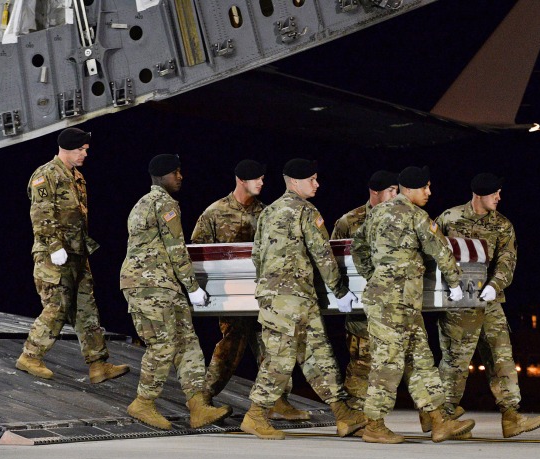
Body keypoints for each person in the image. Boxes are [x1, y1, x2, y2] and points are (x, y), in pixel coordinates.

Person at [241, 158, 366, 440]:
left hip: (287, 297)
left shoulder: (269, 212)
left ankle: (343, 415)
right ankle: (256, 414)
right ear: (296, 182)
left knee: (318, 355)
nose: (317, 184)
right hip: (291, 297)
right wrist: (341, 291)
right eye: (312, 179)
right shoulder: (306, 211)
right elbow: (323, 255)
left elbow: (257, 255)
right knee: (281, 358)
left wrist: (268, 288)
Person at [351, 165, 475, 444]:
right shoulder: (417, 216)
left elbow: (357, 247)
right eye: (425, 187)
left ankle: (438, 420)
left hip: (399, 301)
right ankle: (374, 424)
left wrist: (373, 274)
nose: (429, 193)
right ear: (409, 189)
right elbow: (440, 250)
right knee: (389, 362)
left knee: (422, 360)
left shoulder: (377, 213)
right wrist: (455, 284)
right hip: (392, 303)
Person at [190, 159, 308, 421]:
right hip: (231, 295)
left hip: (263, 291)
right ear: (242, 180)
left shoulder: (266, 213)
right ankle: (204, 398)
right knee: (231, 346)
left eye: (263, 178)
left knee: (273, 347)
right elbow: (197, 253)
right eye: (257, 179)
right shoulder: (214, 213)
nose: (262, 183)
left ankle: (278, 400)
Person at [120, 154, 231, 430]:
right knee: (163, 344)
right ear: (162, 177)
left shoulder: (142, 203)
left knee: (187, 342)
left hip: (162, 284)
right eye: (175, 172)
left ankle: (197, 406)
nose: (180, 176)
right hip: (150, 285)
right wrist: (193, 288)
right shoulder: (164, 204)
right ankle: (143, 402)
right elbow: (175, 249)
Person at [436, 172, 540, 438]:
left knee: (501, 355)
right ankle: (445, 418)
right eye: (494, 193)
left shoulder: (503, 225)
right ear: (479, 194)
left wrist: (493, 286)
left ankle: (511, 416)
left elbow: (507, 262)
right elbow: (432, 254)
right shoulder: (449, 219)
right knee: (456, 360)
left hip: (490, 300)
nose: (499, 197)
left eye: (499, 192)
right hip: (458, 302)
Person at [16, 127, 129, 383]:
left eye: (86, 150)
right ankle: (30, 356)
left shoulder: (76, 177)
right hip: (52, 255)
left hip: (77, 254)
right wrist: (55, 247)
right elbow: (41, 214)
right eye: (81, 150)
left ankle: (98, 365)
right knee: (57, 306)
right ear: (67, 149)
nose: (84, 154)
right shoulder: (46, 175)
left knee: (86, 308)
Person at [330, 170, 399, 410]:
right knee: (362, 362)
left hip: (393, 304)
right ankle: (354, 414)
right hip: (360, 306)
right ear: (375, 192)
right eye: (390, 191)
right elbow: (333, 261)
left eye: (397, 190)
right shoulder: (350, 221)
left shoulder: (399, 218)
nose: (395, 196)